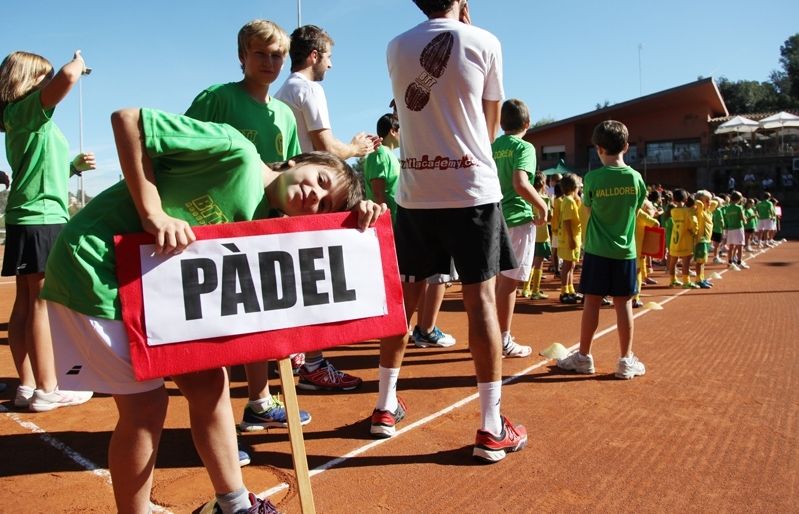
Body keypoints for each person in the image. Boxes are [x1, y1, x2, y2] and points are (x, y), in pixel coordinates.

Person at [40, 108, 385, 514]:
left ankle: (233, 504)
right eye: (321, 181)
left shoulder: (267, 224)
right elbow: (128, 121)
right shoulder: (234, 150)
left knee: (210, 385)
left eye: (324, 203)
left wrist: (363, 215)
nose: (315, 195)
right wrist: (154, 214)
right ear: (299, 159)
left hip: (157, 295)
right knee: (146, 407)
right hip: (98, 269)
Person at [373, 0, 528, 463]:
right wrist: (468, 27)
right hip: (471, 188)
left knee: (407, 294)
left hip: (417, 189)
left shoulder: (395, 46)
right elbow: (490, 121)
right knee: (479, 298)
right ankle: (490, 425)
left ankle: (383, 406)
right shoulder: (486, 41)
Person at [184, 19, 311, 441]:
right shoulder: (216, 99)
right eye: (261, 53)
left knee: (257, 317)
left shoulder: (285, 115)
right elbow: (180, 147)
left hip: (260, 229)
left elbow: (290, 172)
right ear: (242, 56)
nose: (270, 62)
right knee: (212, 326)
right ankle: (214, 424)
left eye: (278, 55)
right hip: (209, 225)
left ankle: (259, 401)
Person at [275, 24, 378, 391]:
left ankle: (298, 354)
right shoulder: (308, 89)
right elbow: (326, 149)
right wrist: (356, 148)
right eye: (329, 57)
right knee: (318, 281)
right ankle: (314, 364)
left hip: (290, 192)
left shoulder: (282, 90)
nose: (331, 66)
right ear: (315, 56)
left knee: (293, 281)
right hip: (312, 199)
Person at [0, 50, 95, 412]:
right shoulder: (25, 110)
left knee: (26, 303)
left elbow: (39, 171)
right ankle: (47, 388)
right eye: (44, 76)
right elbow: (68, 79)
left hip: (31, 216)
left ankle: (27, 385)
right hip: (41, 218)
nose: (49, 82)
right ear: (26, 79)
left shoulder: (26, 118)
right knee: (40, 303)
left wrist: (71, 167)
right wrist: (75, 61)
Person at [557, 120, 647, 380]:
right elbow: (636, 208)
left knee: (591, 304)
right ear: (626, 147)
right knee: (624, 306)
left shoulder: (593, 179)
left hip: (596, 250)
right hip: (624, 253)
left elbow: (587, 210)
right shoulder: (636, 178)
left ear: (598, 149)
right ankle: (625, 360)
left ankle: (584, 356)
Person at [492, 98, 548, 357]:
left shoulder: (492, 146)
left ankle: (488, 334)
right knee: (510, 283)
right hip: (516, 217)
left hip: (493, 217)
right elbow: (520, 182)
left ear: (502, 123)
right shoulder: (524, 147)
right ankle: (502, 338)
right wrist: (542, 206)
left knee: (493, 282)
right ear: (527, 123)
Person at [521, 171, 552, 300]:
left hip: (530, 235)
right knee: (538, 264)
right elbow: (549, 218)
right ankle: (535, 290)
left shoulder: (527, 198)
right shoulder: (545, 199)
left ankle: (525, 289)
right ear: (543, 184)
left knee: (529, 263)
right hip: (542, 235)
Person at [557, 173, 582, 304]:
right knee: (567, 266)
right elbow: (567, 221)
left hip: (573, 237)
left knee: (571, 265)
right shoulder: (568, 201)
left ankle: (570, 290)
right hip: (568, 239)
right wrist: (571, 238)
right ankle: (564, 292)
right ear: (574, 187)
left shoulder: (571, 200)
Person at [667, 189, 698, 287]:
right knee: (686, 261)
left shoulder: (673, 211)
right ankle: (686, 281)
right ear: (685, 199)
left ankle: (672, 280)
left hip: (675, 239)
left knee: (673, 260)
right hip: (685, 239)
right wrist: (694, 232)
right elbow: (694, 223)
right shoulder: (688, 211)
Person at [632, 200, 660, 307]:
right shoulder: (639, 212)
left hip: (621, 247)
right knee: (636, 273)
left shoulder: (624, 210)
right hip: (636, 249)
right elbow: (655, 224)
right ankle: (635, 297)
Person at [724, 190, 747, 269]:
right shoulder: (739, 207)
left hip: (730, 229)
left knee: (731, 246)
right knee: (740, 246)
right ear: (739, 199)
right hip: (738, 228)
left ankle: (729, 262)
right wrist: (745, 220)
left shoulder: (727, 208)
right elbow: (742, 218)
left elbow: (726, 219)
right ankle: (739, 262)